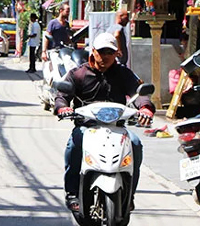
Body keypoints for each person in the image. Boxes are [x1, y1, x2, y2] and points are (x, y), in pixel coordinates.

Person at [54, 32, 154, 213]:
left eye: (110, 52)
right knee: (74, 145)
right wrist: (63, 108)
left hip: (117, 128)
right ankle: (72, 193)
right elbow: (62, 95)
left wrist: (145, 107)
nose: (105, 56)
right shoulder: (79, 74)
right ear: (93, 51)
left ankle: (129, 195)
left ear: (116, 54)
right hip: (87, 127)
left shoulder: (124, 73)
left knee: (136, 144)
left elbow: (138, 94)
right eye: (102, 51)